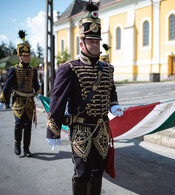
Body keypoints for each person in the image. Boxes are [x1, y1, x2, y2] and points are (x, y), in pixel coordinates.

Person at [46, 1, 124, 194]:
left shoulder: (107, 69)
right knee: (82, 173)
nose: (95, 45)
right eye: (91, 41)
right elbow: (57, 101)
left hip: (101, 129)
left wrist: (114, 105)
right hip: (80, 130)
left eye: (97, 41)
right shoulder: (69, 69)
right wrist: (53, 130)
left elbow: (110, 90)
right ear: (82, 43)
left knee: (98, 173)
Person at [0, 30, 40, 157]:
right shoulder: (13, 70)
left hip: (29, 102)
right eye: (24, 56)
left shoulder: (33, 70)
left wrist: (39, 94)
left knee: (28, 126)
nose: (27, 58)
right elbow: (7, 87)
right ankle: (17, 143)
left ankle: (26, 149)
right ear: (20, 56)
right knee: (19, 124)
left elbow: (36, 85)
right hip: (18, 101)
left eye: (28, 55)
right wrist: (3, 99)